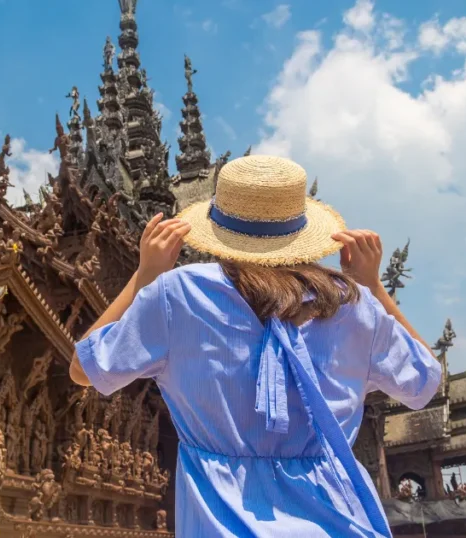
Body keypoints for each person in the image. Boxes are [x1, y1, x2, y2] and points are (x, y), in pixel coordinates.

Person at [70, 155, 441, 537]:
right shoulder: (354, 305)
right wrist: (373, 288)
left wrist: (144, 276)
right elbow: (425, 380)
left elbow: (84, 369)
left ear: (217, 229)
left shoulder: (177, 296)